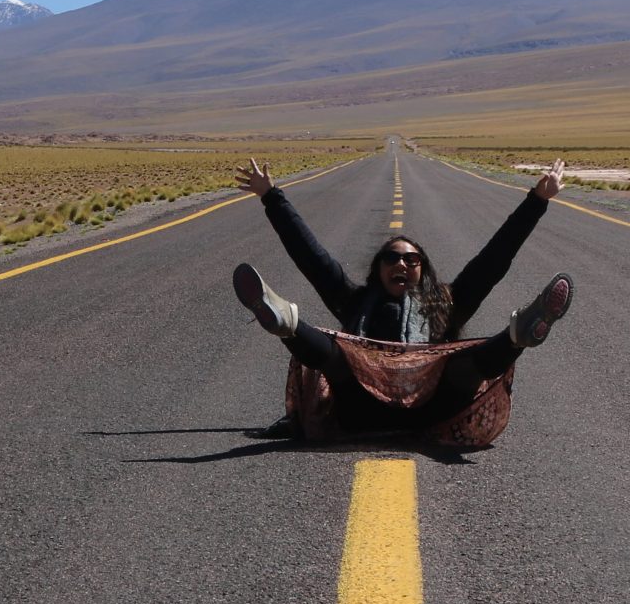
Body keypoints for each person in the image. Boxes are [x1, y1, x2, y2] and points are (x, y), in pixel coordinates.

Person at [230, 156, 573, 440]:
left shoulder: (445, 302)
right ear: (378, 269)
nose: (402, 264)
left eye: (412, 259)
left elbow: (493, 259)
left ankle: (518, 335)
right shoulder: (354, 300)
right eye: (391, 258)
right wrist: (271, 196)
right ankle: (286, 322)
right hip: (362, 406)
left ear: (423, 270)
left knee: (464, 363)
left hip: (432, 407)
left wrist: (537, 201)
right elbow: (311, 256)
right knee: (335, 355)